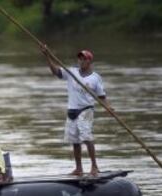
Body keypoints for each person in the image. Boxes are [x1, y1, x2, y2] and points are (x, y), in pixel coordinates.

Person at [41, 46, 110, 176]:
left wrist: (108, 106)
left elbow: (102, 96)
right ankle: (79, 168)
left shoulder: (95, 78)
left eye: (84, 59)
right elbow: (56, 72)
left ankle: (94, 166)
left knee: (86, 136)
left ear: (89, 61)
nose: (81, 61)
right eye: (80, 59)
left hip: (86, 110)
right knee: (75, 139)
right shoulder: (72, 72)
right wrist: (47, 56)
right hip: (72, 110)